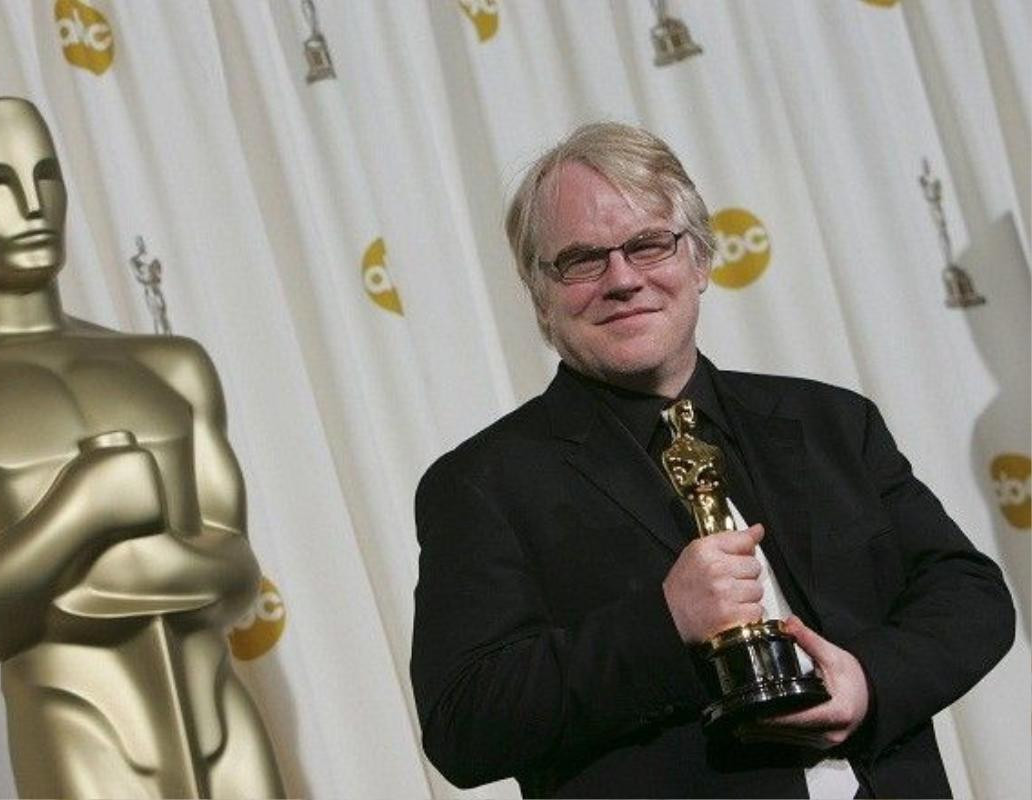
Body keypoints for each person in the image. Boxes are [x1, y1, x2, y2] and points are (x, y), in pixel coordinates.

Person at [409, 122, 1014, 798]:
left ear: (700, 260)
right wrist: (664, 624)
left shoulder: (831, 423)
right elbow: (463, 725)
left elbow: (970, 595)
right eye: (582, 260)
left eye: (648, 245)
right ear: (540, 296)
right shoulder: (483, 484)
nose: (622, 279)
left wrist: (868, 680)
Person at [0, 97, 282, 798]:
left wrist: (67, 583)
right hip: (76, 724)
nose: (30, 206)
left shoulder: (169, 365)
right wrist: (86, 509)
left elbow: (237, 574)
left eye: (46, 176)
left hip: (221, 716)